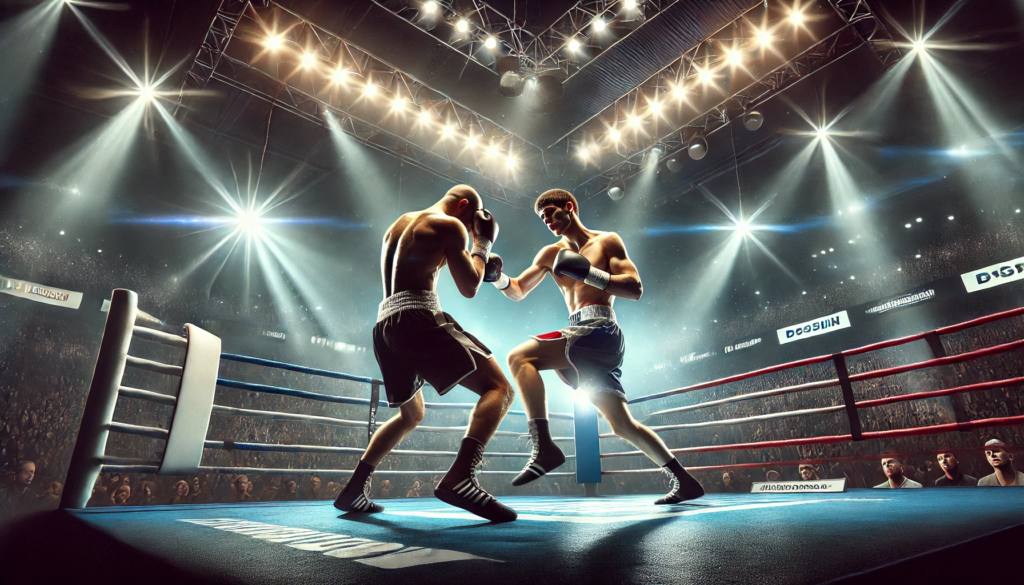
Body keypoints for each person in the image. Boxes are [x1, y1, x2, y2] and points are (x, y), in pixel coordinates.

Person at [494, 189, 704, 505]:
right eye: (543, 218)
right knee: (620, 424)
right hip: (581, 331)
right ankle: (685, 481)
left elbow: (635, 288)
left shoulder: (606, 241)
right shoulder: (550, 254)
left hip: (600, 328)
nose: (548, 221)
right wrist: (497, 279)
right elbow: (519, 289)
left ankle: (544, 446)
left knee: (518, 357)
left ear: (570, 207)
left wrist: (589, 273)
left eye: (552, 213)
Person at [333, 184, 517, 523]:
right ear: (464, 207)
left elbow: (430, 267)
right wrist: (483, 243)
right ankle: (461, 477)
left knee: (411, 414)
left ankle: (354, 489)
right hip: (416, 316)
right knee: (501, 388)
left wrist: (481, 263)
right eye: (473, 219)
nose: (474, 227)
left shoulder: (402, 223)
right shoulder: (452, 226)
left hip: (385, 323)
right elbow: (470, 287)